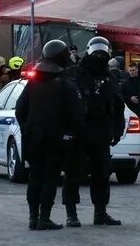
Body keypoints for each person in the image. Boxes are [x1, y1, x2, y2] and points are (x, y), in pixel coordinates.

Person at [15, 39, 84, 231]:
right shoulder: (66, 85)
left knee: (35, 176)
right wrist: (72, 135)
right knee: (50, 178)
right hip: (55, 140)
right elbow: (77, 116)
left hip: (33, 138)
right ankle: (44, 217)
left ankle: (33, 217)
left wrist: (27, 128)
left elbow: (19, 111)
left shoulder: (33, 83)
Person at [62, 36, 124, 227]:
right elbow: (65, 103)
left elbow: (117, 105)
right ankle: (71, 214)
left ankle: (101, 212)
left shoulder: (109, 77)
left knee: (102, 173)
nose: (99, 55)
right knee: (73, 173)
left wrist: (117, 129)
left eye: (102, 52)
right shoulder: (74, 73)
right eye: (96, 51)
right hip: (79, 131)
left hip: (101, 131)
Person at [120, 61, 140, 157]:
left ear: (137, 70)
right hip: (131, 109)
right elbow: (121, 96)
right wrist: (130, 98)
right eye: (130, 71)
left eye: (133, 70)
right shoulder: (125, 84)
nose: (131, 72)